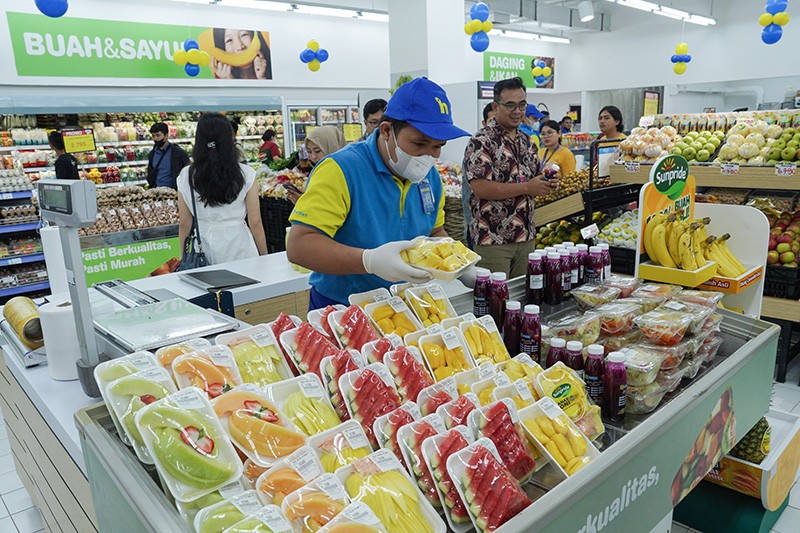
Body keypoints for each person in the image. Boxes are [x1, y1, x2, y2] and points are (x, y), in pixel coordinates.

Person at [286, 77, 471, 310]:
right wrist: (369, 261)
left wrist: (457, 261)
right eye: (419, 143)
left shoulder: (430, 178)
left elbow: (434, 231)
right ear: (386, 130)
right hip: (341, 307)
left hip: (405, 305)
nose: (428, 156)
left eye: (437, 146)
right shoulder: (341, 169)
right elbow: (299, 246)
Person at [463, 77, 557, 278]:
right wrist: (527, 188)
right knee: (494, 302)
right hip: (493, 239)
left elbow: (533, 180)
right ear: (496, 107)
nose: (517, 111)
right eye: (510, 105)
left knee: (522, 299)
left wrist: (546, 182)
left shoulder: (528, 142)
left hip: (526, 236)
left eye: (522, 105)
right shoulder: (481, 142)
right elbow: (480, 188)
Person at [177, 112, 267, 266]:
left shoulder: (186, 175)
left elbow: (185, 223)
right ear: (229, 138)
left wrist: (183, 256)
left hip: (204, 246)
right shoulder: (246, 173)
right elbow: (255, 222)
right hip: (240, 246)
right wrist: (265, 256)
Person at [462, 103, 497, 248]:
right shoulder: (478, 145)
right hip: (482, 230)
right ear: (484, 123)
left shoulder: (522, 143)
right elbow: (475, 190)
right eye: (493, 120)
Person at [286, 126, 347, 204]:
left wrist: (306, 202)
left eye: (317, 151)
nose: (313, 157)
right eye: (309, 152)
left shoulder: (342, 174)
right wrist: (305, 199)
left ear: (332, 146)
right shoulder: (321, 171)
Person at [146, 123, 190, 190]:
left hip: (174, 193)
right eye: (153, 136)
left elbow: (188, 171)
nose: (155, 138)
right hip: (157, 193)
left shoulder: (178, 153)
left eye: (158, 135)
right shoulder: (152, 154)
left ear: (166, 135)